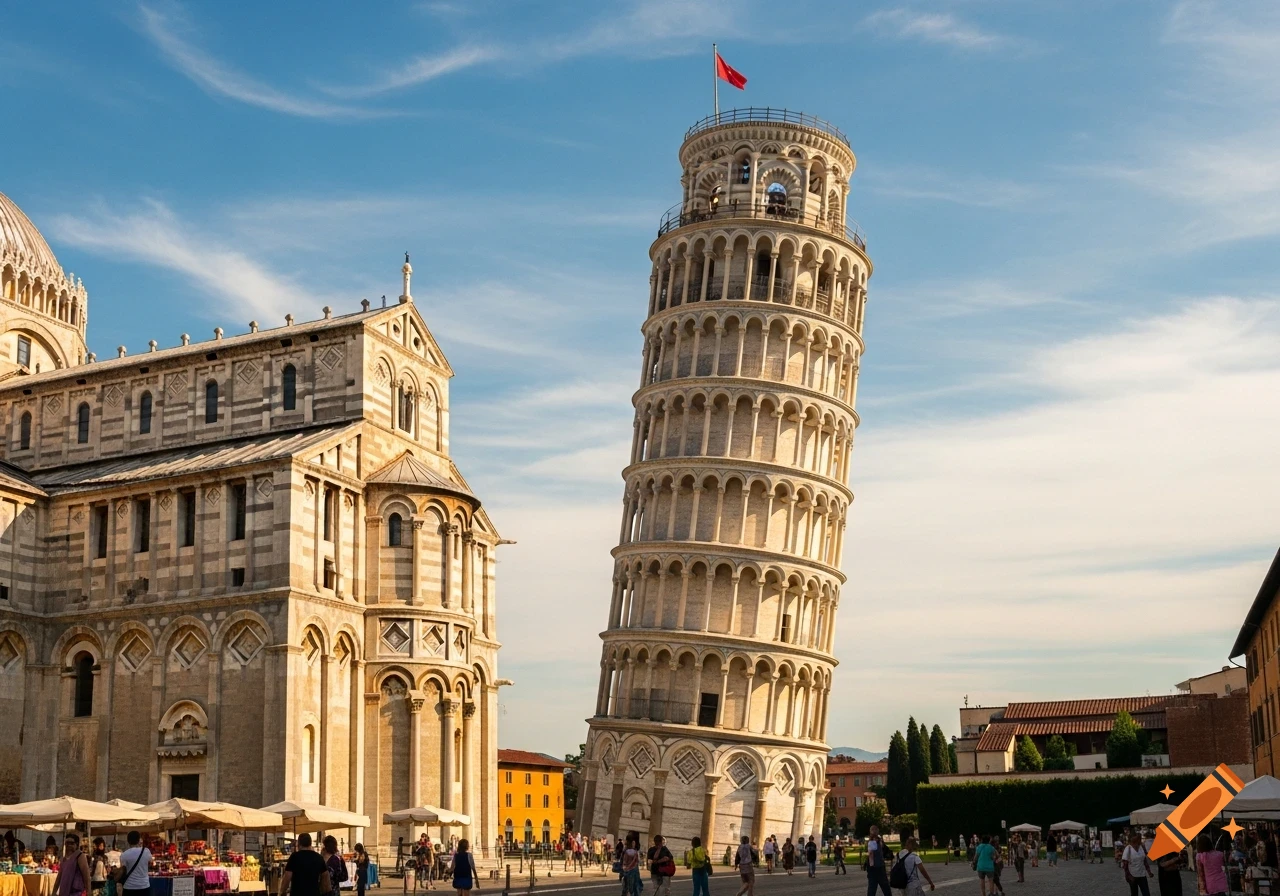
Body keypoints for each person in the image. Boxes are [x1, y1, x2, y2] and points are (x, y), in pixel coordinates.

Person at [114, 831, 152, 896]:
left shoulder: (124, 855)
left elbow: (123, 870)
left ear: (128, 841)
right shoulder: (146, 851)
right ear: (139, 840)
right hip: (144, 886)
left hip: (129, 887)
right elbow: (150, 863)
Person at [866, 826, 891, 896]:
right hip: (879, 867)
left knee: (872, 889)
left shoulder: (873, 842)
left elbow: (871, 854)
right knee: (885, 889)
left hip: (873, 868)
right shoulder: (878, 841)